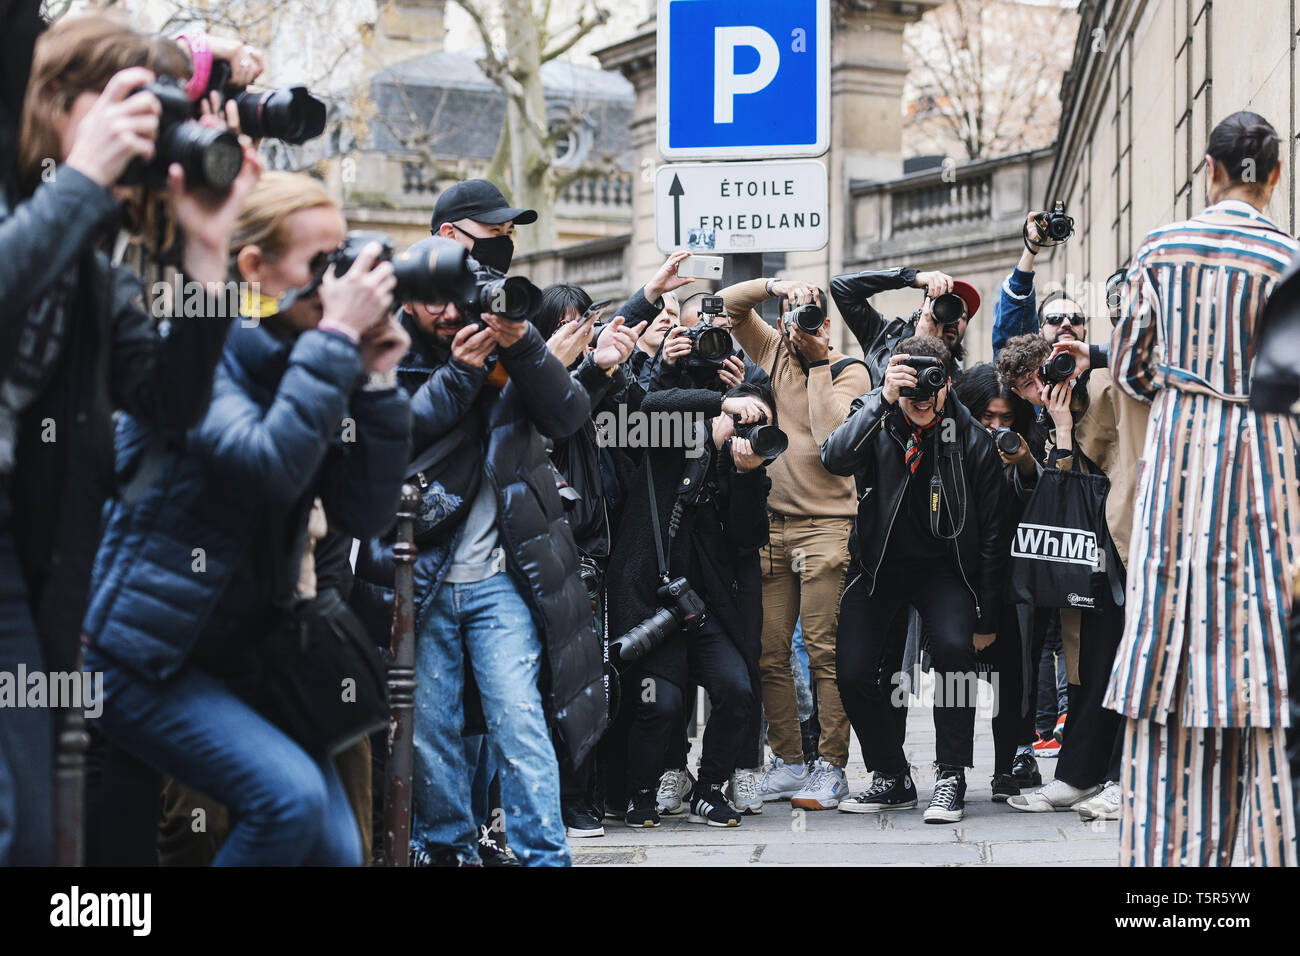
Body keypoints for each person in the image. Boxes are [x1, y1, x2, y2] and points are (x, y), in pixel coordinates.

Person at [83, 171, 411, 866]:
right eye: (319, 264)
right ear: (254, 268)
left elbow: (365, 511)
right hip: (138, 652)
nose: (340, 278)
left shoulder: (312, 357)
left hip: (244, 657)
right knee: (285, 801)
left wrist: (378, 381)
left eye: (343, 255)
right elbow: (266, 462)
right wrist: (335, 342)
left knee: (336, 850)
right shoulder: (203, 349)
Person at [0, 15, 260, 865]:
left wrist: (208, 253)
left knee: (31, 838)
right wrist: (79, 177)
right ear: (56, 101)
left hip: (26, 565)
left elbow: (171, 403)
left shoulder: (95, 271)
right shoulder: (30, 209)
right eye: (132, 107)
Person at [352, 181, 602, 867]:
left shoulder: (503, 321)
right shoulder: (382, 332)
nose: (447, 307)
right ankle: (450, 852)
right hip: (418, 566)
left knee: (519, 721)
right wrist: (462, 375)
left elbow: (568, 416)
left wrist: (522, 345)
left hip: (501, 575)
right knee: (429, 731)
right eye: (484, 234)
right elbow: (388, 433)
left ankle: (544, 856)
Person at [1103, 111, 1300, 866]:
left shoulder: (1162, 247)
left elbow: (1130, 368)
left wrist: (1192, 385)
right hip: (1270, 476)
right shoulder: (1290, 260)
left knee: (1167, 676)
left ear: (1209, 169)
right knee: (1272, 677)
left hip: (1182, 474)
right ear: (1273, 175)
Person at [822, 337, 1005, 823]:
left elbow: (990, 535)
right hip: (878, 565)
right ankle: (890, 775)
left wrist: (985, 613)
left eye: (930, 387)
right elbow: (834, 459)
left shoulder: (971, 438)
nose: (919, 400)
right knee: (853, 672)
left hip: (946, 571)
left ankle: (950, 776)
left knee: (953, 651)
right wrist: (882, 398)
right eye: (909, 390)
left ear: (946, 384)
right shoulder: (877, 413)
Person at [718, 276, 872, 811]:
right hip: (773, 526)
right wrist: (775, 286)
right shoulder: (773, 350)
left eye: (813, 317)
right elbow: (731, 307)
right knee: (768, 652)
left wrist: (819, 361)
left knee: (824, 651)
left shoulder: (851, 369)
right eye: (796, 317)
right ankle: (787, 761)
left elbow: (832, 438)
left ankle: (831, 768)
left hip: (828, 525)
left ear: (827, 326)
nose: (803, 326)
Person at [609, 362, 773, 828]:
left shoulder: (746, 465)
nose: (746, 427)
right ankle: (642, 791)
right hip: (653, 604)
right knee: (659, 705)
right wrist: (715, 413)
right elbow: (646, 404)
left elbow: (747, 539)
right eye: (743, 416)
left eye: (755, 420)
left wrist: (746, 476)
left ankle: (708, 788)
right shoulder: (672, 438)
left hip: (703, 612)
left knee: (737, 689)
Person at [951, 363, 1044, 802]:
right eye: (988, 417)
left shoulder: (1026, 446)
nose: (996, 426)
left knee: (1012, 674)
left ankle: (1008, 764)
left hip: (1014, 578)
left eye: (1007, 419)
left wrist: (1024, 461)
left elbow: (1042, 503)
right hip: (958, 576)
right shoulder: (952, 444)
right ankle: (952, 769)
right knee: (956, 677)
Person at [830, 266, 980, 385]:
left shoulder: (959, 382)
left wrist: (927, 348)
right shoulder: (884, 334)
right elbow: (840, 287)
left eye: (963, 316)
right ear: (926, 310)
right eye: (948, 310)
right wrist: (910, 277)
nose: (955, 320)